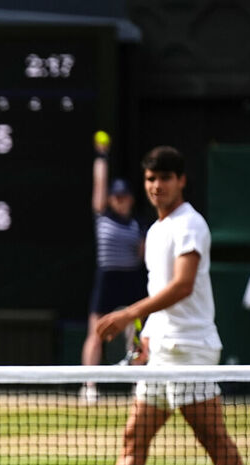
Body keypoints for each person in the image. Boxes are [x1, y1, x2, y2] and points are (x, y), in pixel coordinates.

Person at [41, 146, 250, 465]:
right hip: (162, 354)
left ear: (181, 180)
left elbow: (182, 286)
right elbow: (159, 291)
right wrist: (145, 337)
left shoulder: (190, 225)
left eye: (164, 178)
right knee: (134, 440)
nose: (155, 186)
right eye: (150, 179)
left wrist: (129, 314)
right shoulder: (159, 228)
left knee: (215, 442)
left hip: (189, 353)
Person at [81, 133, 146, 402]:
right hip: (107, 280)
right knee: (95, 334)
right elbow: (99, 183)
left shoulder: (137, 225)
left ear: (130, 199)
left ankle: (139, 386)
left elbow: (144, 256)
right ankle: (89, 386)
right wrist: (101, 156)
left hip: (131, 280)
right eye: (115, 196)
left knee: (138, 336)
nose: (119, 200)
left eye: (123, 196)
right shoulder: (102, 216)